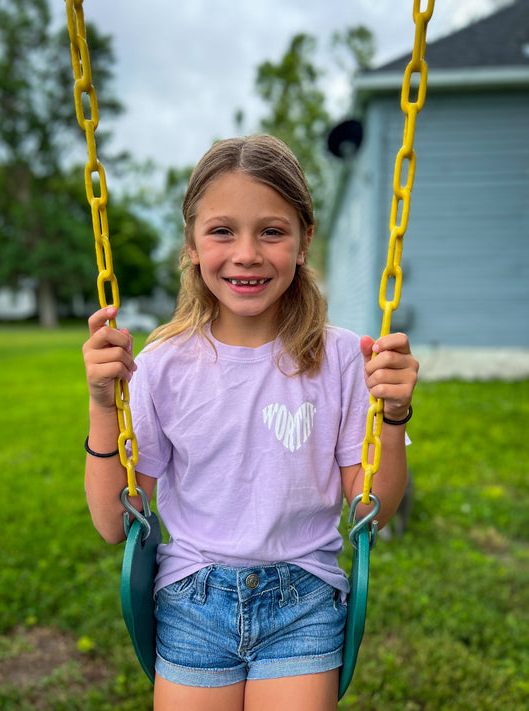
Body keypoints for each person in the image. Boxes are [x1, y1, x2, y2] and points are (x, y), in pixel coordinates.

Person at [83, 134, 418, 711]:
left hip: (303, 600)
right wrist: (100, 403)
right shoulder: (160, 365)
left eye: (271, 230)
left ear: (304, 240)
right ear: (190, 244)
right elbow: (116, 524)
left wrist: (392, 416)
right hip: (192, 599)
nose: (247, 254)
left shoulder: (341, 359)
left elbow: (373, 510)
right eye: (221, 231)